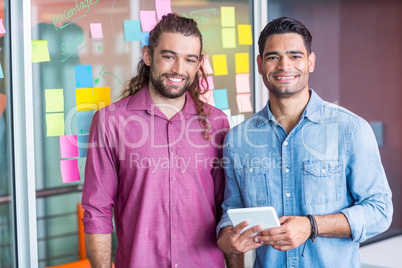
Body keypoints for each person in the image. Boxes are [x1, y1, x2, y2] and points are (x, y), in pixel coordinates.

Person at [217, 17, 393, 268]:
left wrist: (312, 226)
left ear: (310, 62)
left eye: (295, 56)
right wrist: (228, 237)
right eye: (273, 57)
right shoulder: (237, 140)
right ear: (259, 64)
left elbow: (380, 211)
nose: (284, 66)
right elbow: (231, 211)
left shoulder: (351, 130)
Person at [81, 13, 229, 267]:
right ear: (148, 56)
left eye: (189, 59)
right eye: (169, 56)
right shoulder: (111, 121)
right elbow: (97, 211)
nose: (178, 70)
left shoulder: (217, 123)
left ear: (199, 64)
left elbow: (227, 208)